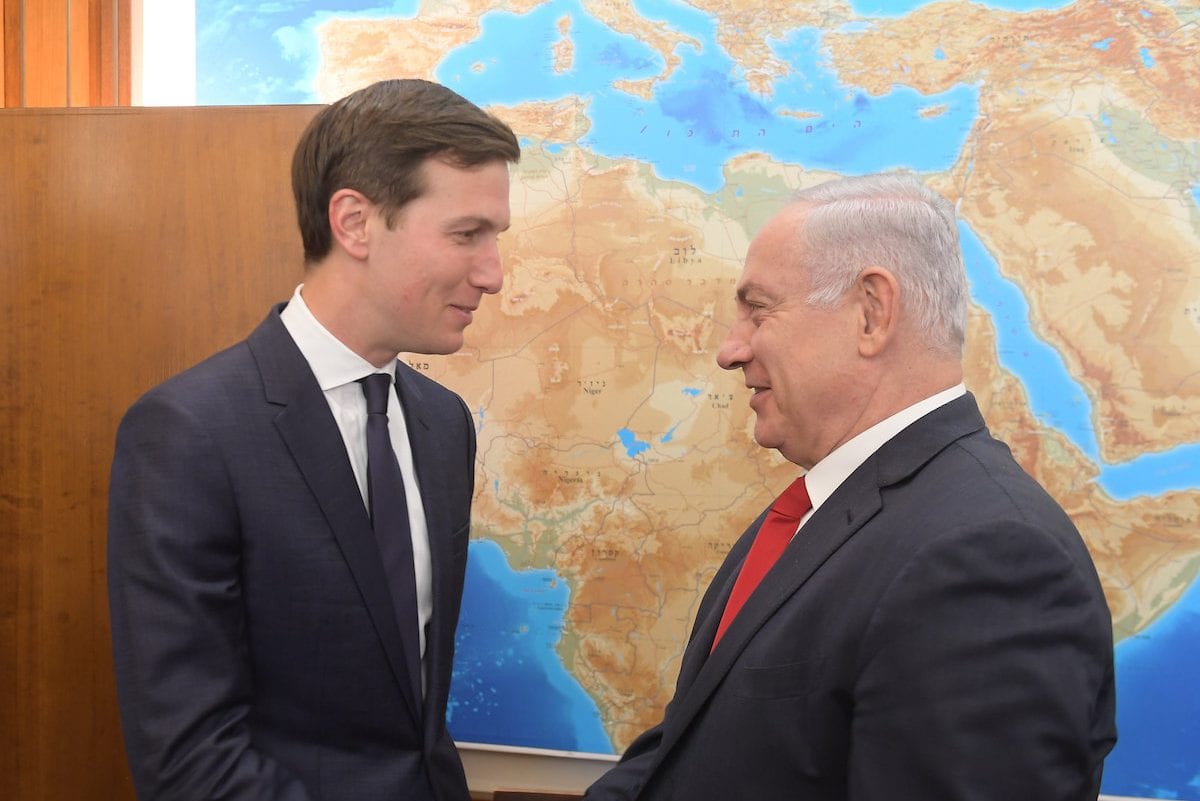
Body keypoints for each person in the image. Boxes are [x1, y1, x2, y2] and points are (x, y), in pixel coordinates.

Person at [585, 172, 1116, 800]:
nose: (730, 350)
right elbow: (693, 746)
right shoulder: (826, 511)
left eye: (758, 310)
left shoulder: (990, 557)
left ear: (872, 312)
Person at [107, 78, 520, 801]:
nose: (492, 272)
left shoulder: (442, 424)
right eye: (466, 235)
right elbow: (189, 761)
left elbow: (409, 714)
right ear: (355, 222)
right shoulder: (190, 434)